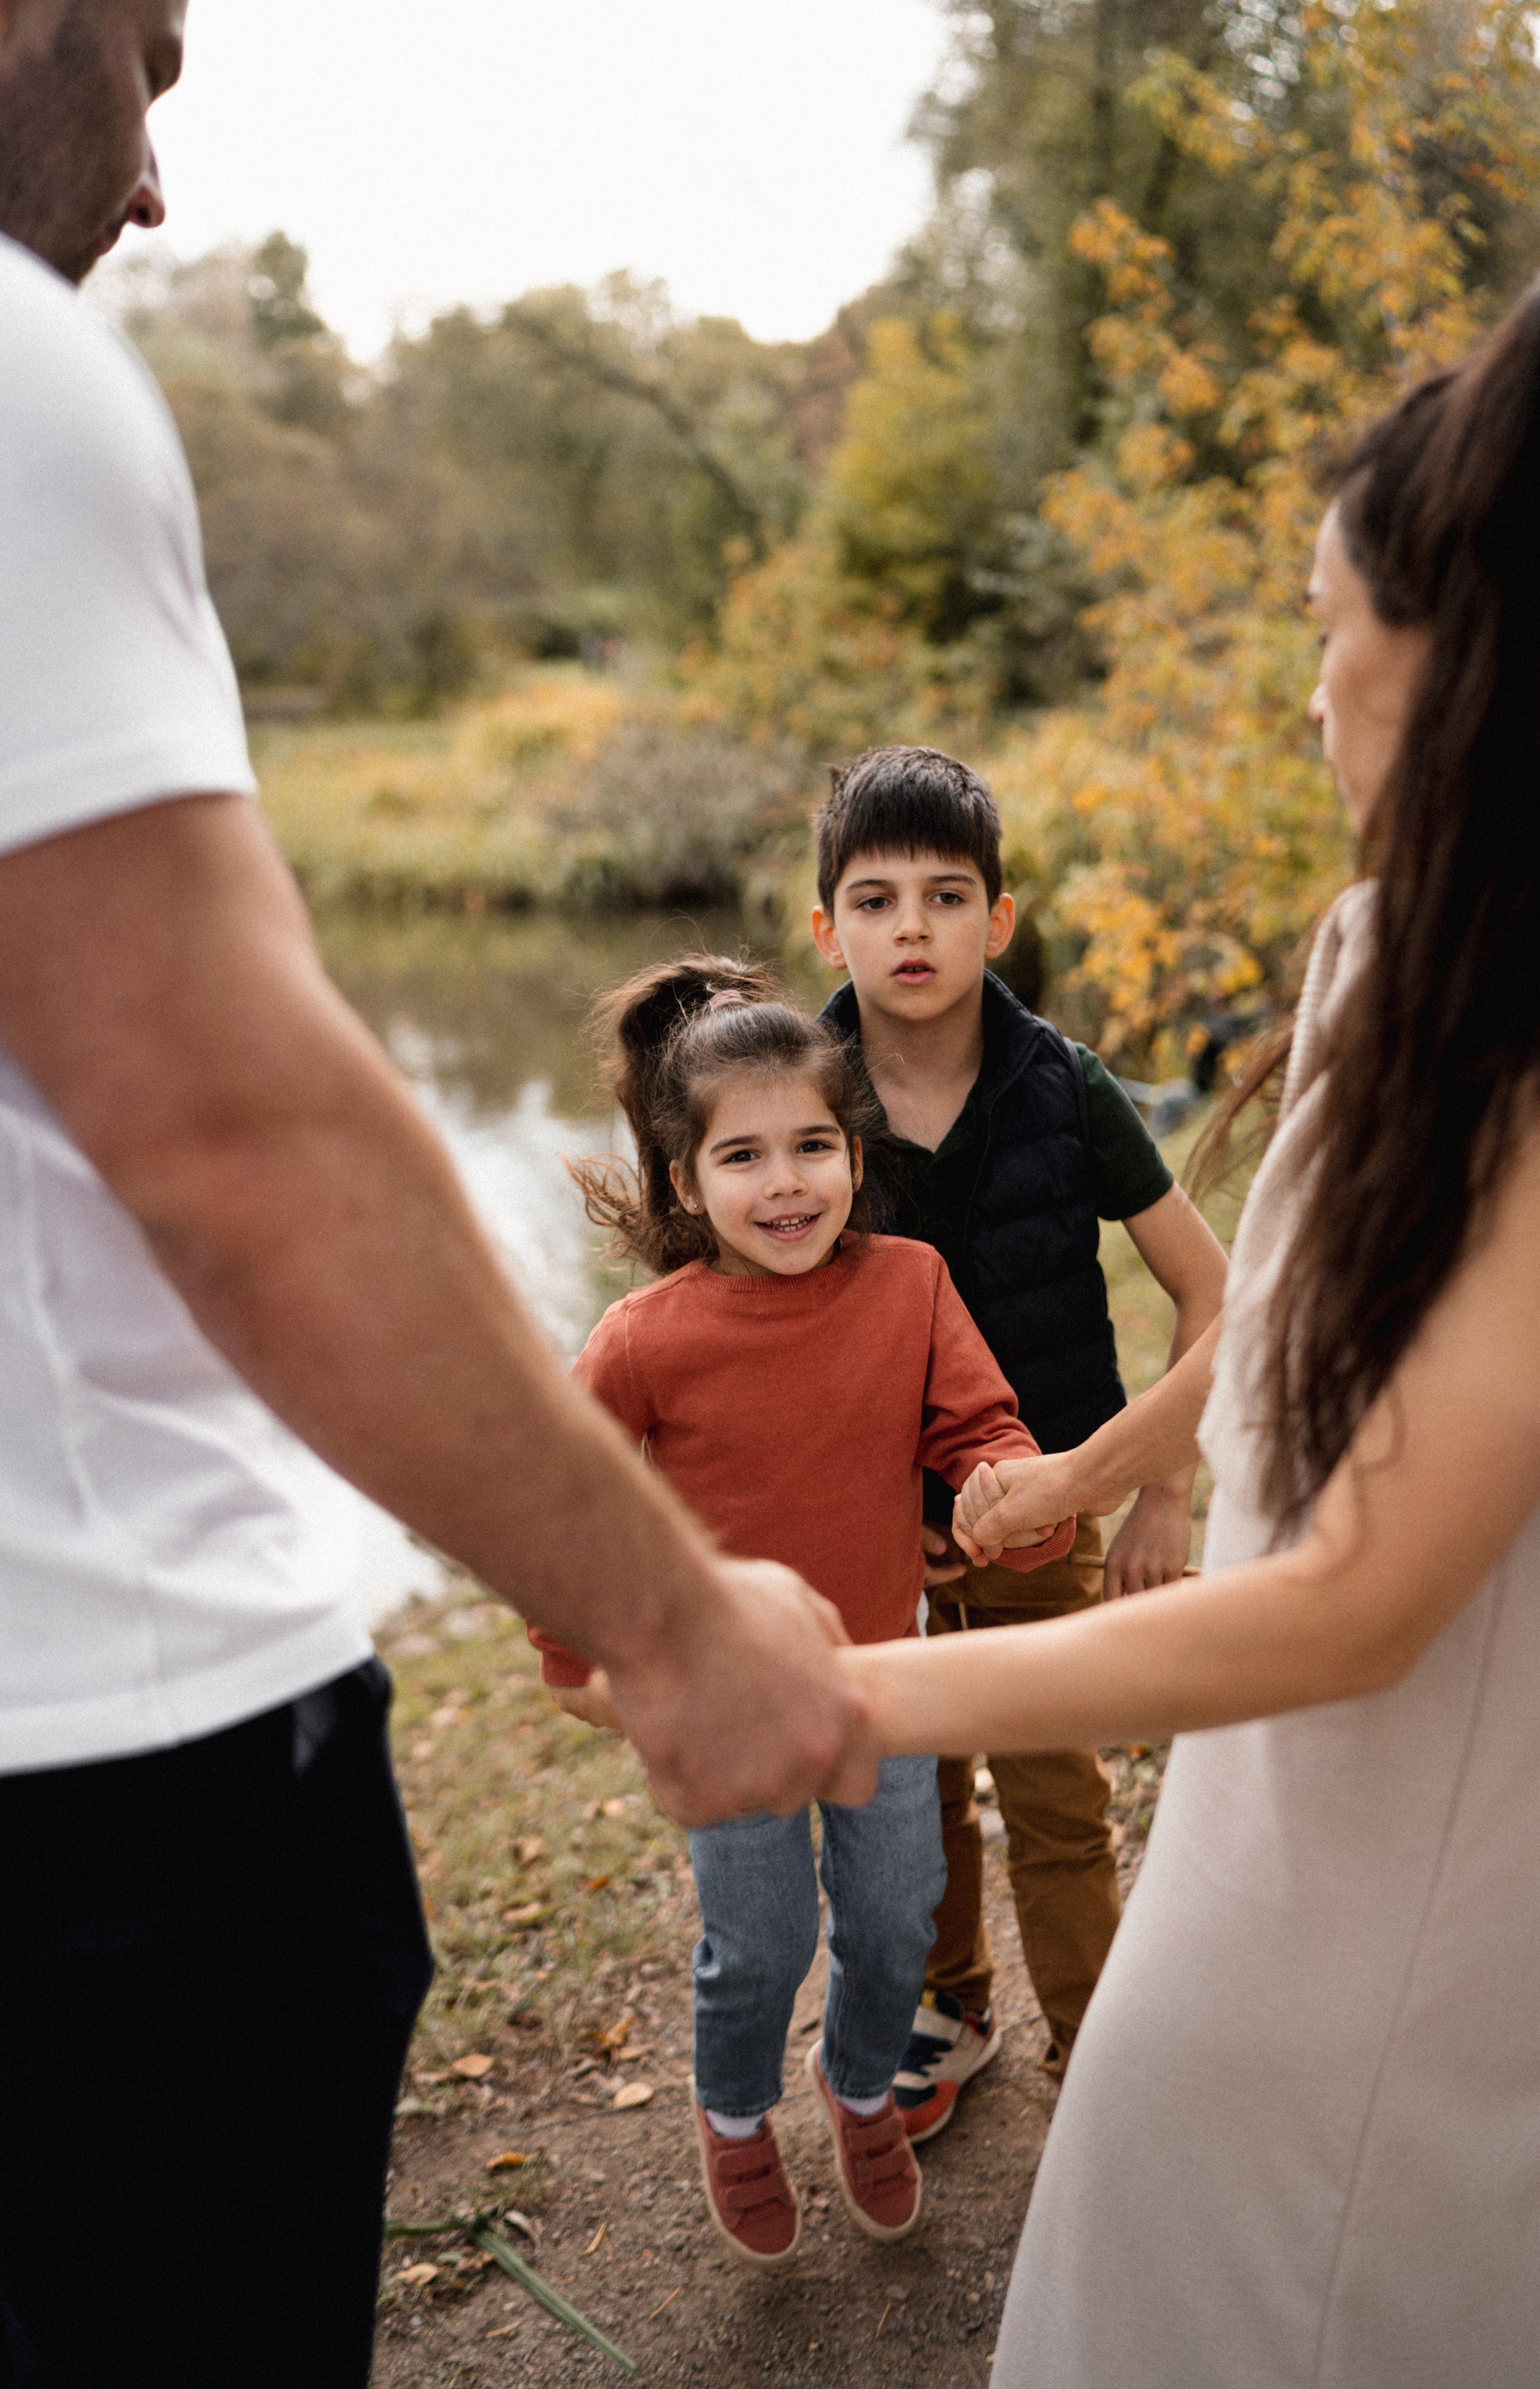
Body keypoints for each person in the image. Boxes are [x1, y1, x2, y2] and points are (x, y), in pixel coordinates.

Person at [0, 9, 874, 2385]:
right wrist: (673, 1622)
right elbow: (235, 1131)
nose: (156, 178)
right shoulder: (17, 371)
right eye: (150, 65)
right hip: (104, 1794)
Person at [839, 260, 1540, 2389]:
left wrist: (843, 1693)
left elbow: (1359, 1604)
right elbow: (1289, 1354)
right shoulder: (1407, 964)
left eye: (1317, 626)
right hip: (1255, 1877)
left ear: (1465, 647)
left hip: (1363, 1985)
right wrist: (1138, 1460)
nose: (1307, 691)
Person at [527, 962, 1075, 2264]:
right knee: (758, 1941)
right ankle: (733, 2110)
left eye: (812, 1147)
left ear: (853, 1151)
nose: (785, 1183)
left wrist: (1004, 1486)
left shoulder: (911, 1286)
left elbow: (981, 1428)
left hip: (883, 1682)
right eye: (743, 1156)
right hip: (729, 1706)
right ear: (683, 1181)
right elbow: (560, 1501)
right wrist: (578, 1658)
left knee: (897, 1914)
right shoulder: (641, 1337)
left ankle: (860, 2082)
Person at [810, 748, 1229, 2129]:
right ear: (826, 929)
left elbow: (1214, 1286)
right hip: (869, 1529)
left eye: (945, 895)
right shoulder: (791, 1104)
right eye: (874, 899)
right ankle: (951, 2004)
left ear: (997, 918)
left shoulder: (1064, 1083)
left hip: (1047, 1504)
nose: (910, 927)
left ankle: (1094, 2052)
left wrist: (1158, 1487)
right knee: (902, 1788)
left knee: (1054, 1793)